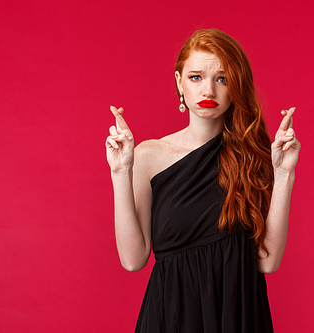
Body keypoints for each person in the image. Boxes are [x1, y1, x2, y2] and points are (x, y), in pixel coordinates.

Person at [106, 29, 300, 333]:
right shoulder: (148, 156)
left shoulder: (253, 157)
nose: (208, 90)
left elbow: (267, 262)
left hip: (238, 316)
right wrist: (120, 172)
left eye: (221, 79)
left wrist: (284, 171)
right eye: (196, 77)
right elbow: (133, 260)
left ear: (235, 86)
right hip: (171, 318)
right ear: (179, 82)